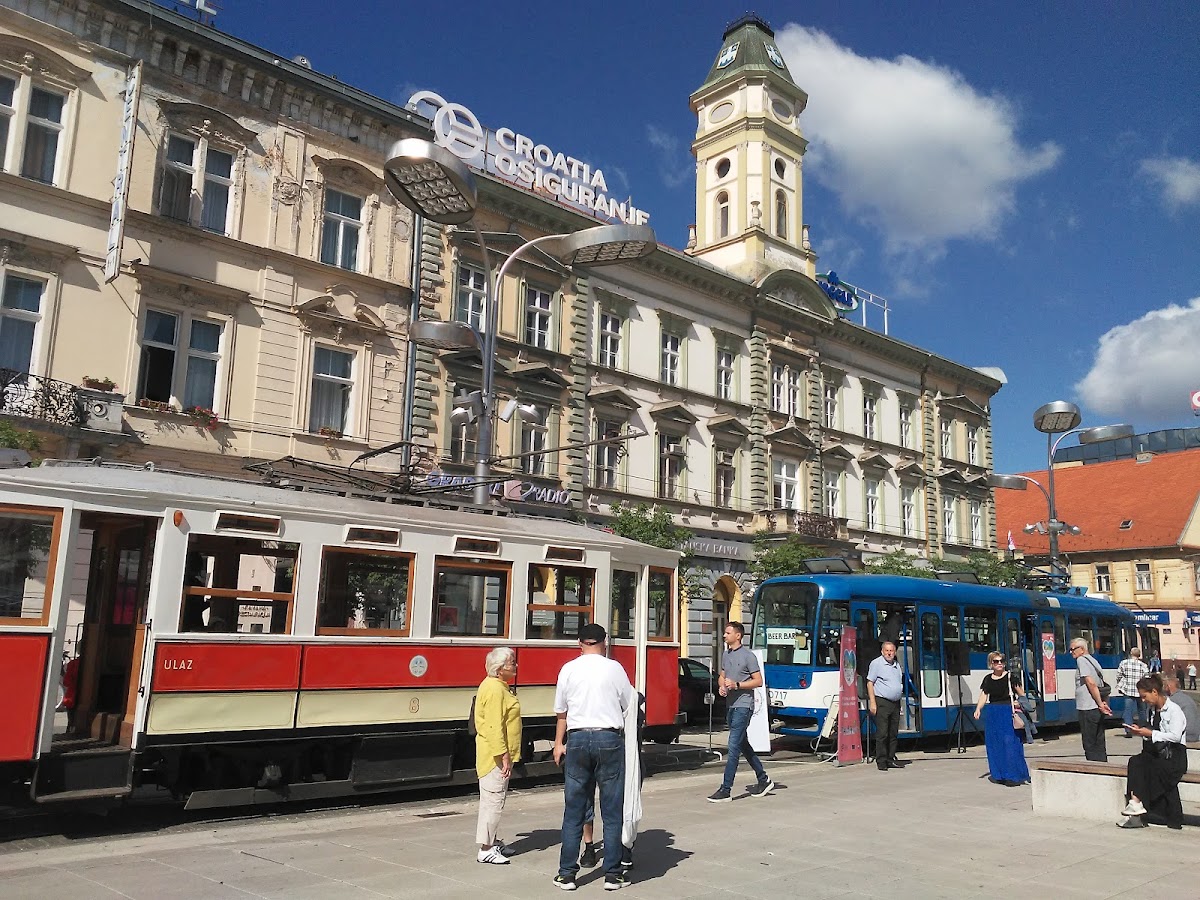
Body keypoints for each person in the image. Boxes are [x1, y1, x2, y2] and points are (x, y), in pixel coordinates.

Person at [553, 623, 632, 892]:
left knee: (574, 809)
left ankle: (567, 874)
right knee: (611, 811)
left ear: (579, 643)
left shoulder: (568, 669)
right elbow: (628, 702)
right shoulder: (615, 668)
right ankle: (613, 875)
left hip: (576, 740)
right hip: (608, 738)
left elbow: (561, 711)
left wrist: (557, 743)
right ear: (604, 642)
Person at [706, 622, 774, 802]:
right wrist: (722, 686)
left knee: (733, 746)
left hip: (744, 706)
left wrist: (737, 685)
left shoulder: (748, 656)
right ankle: (763, 778)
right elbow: (722, 675)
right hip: (731, 705)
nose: (724, 635)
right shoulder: (725, 654)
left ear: (738, 636)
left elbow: (758, 681)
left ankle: (725, 789)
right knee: (743, 744)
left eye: (728, 633)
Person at [1117, 673, 1189, 830]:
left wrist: (1151, 734)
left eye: (1144, 696)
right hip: (1158, 753)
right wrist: (1141, 732)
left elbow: (1175, 737)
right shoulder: (1152, 710)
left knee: (1149, 769)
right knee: (1135, 762)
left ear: (1155, 692)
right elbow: (1153, 733)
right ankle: (1135, 803)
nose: (1143, 700)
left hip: (1174, 757)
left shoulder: (1174, 710)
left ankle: (1138, 809)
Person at [474, 647, 521, 865]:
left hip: (492, 754)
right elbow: (494, 726)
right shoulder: (495, 689)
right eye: (512, 662)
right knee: (493, 800)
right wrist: (504, 756)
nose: (516, 666)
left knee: (493, 799)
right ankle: (486, 848)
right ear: (500, 668)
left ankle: (492, 841)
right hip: (493, 757)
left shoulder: (497, 686)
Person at [973, 651, 1031, 786]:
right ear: (991, 664)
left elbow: (1021, 694)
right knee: (995, 744)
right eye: (996, 661)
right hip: (993, 713)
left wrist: (1019, 703)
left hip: (1007, 712)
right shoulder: (988, 679)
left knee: (1010, 743)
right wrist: (978, 709)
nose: (999, 664)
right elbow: (984, 695)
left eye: (1002, 661)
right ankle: (999, 774)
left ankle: (1014, 776)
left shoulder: (1011, 677)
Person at [866, 641, 908, 771]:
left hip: (895, 703)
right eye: (887, 651)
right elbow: (869, 683)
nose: (889, 653)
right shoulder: (876, 664)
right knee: (882, 733)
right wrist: (873, 702)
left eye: (892, 651)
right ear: (882, 651)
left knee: (893, 733)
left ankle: (891, 759)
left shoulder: (896, 665)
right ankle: (882, 761)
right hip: (882, 701)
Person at [1070, 637, 1113, 762]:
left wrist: (1100, 703)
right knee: (1099, 741)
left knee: (1090, 743)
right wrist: (1103, 703)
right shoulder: (1093, 661)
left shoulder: (1081, 660)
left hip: (1087, 707)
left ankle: (1095, 770)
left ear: (1082, 649)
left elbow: (1091, 683)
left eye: (1073, 649)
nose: (1071, 652)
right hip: (1096, 708)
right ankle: (1103, 767)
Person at [1115, 647, 1149, 737]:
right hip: (1140, 691)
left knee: (1128, 711)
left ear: (1130, 654)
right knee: (1142, 710)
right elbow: (1146, 678)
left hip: (1128, 690)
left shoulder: (1124, 663)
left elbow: (1118, 675)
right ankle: (1143, 728)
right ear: (1139, 655)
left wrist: (1120, 684)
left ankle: (1128, 730)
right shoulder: (1143, 665)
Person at [1163, 675, 1200, 743]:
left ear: (1168, 687)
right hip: (1196, 734)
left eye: (1164, 686)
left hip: (1187, 735)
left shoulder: (1172, 701)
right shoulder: (1187, 698)